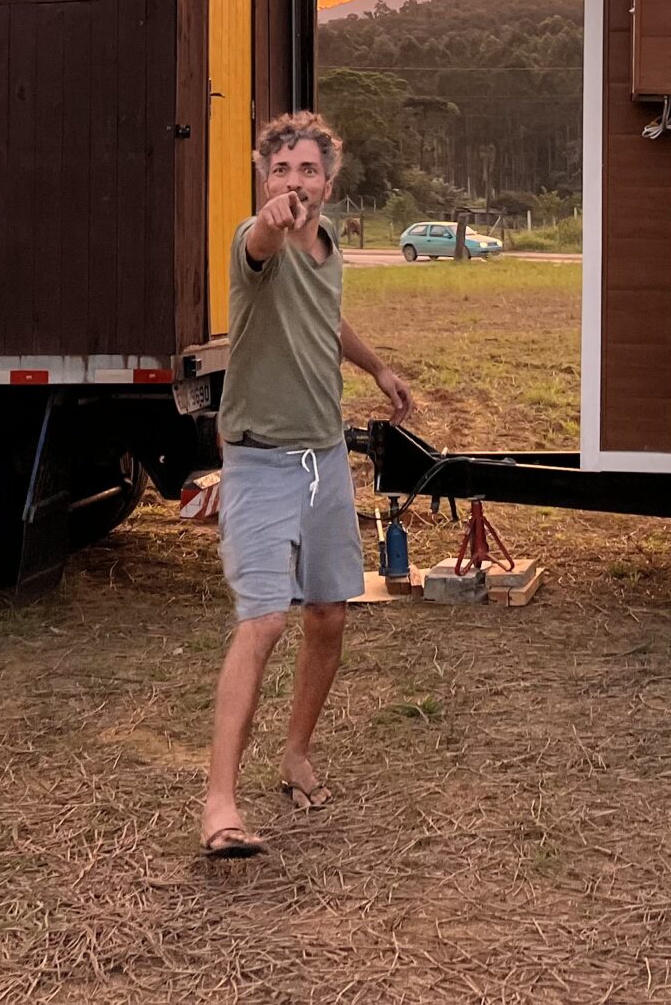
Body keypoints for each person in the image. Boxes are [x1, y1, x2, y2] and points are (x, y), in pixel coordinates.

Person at [200, 110, 414, 859]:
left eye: (307, 171)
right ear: (267, 180)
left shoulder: (326, 250)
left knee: (328, 614)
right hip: (260, 459)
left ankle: (295, 754)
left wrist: (378, 367)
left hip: (323, 459)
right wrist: (268, 222)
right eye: (282, 171)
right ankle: (220, 805)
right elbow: (262, 244)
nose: (294, 183)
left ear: (330, 179)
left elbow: (328, 320)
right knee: (263, 622)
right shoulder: (253, 243)